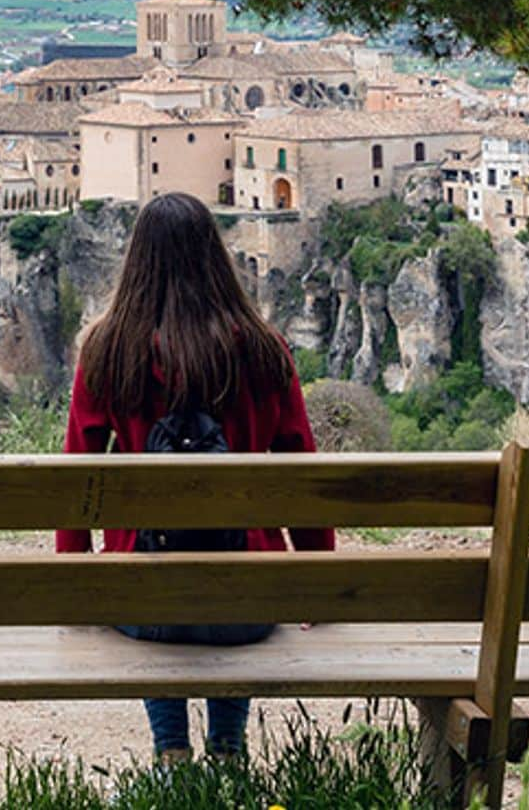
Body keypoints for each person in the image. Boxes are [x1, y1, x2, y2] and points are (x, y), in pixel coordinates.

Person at [55, 192, 335, 764]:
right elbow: (301, 470)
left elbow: (75, 479)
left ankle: (171, 752)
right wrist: (315, 579)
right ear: (216, 257)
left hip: (145, 603)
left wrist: (75, 577)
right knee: (222, 590)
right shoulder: (263, 349)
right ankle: (228, 749)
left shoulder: (108, 351)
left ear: (137, 261)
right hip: (248, 603)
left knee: (153, 585)